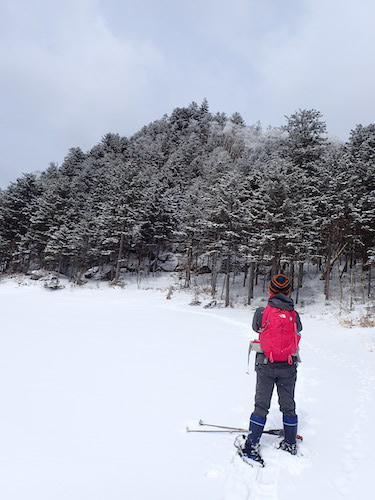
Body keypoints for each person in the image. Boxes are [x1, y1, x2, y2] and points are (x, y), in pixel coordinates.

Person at [240, 274, 303, 466]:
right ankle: (290, 442)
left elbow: (256, 328)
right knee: (288, 405)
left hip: (266, 364)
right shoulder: (294, 315)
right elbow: (298, 330)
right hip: (288, 366)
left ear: (270, 290)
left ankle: (251, 446)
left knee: (261, 405)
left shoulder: (261, 312)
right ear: (289, 292)